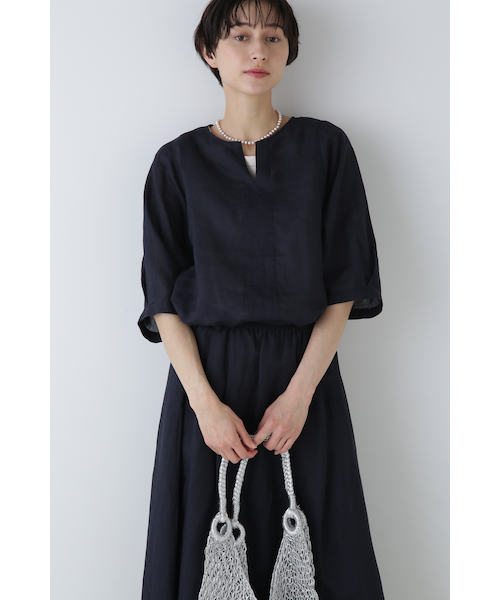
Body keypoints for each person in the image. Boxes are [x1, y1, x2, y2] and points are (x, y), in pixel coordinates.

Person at [138, 0, 385, 598]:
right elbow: (163, 301)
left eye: (274, 37)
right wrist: (205, 407)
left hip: (305, 382)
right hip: (207, 385)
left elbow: (344, 287)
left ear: (289, 51)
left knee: (321, 550)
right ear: (210, 51)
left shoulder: (327, 149)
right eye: (240, 36)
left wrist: (299, 397)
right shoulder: (175, 164)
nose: (258, 50)